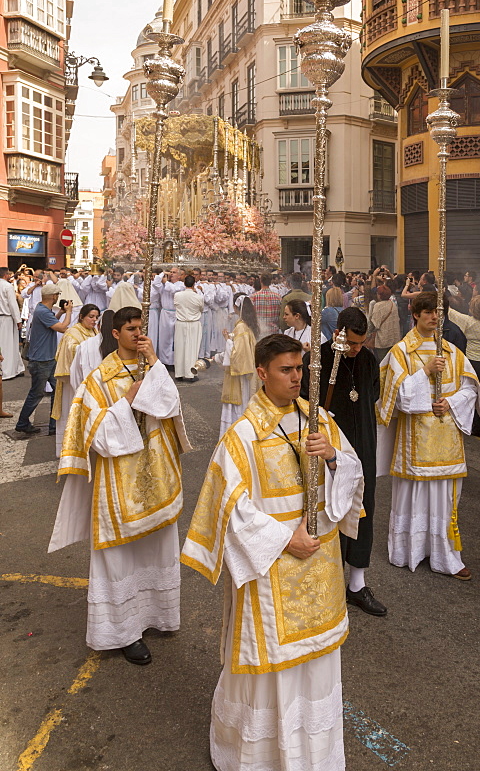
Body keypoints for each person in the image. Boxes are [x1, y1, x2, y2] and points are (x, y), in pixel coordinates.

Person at [180, 333, 364, 771]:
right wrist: (286, 539)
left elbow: (354, 475)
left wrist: (334, 456)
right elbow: (228, 509)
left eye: (300, 368)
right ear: (262, 373)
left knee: (316, 664)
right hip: (272, 570)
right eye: (286, 369)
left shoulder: (317, 420)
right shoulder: (242, 436)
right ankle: (264, 759)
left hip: (319, 566)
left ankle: (315, 758)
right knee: (274, 670)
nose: (297, 377)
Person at [49, 307, 191, 664]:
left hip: (156, 478)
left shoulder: (152, 368)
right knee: (120, 560)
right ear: (114, 333)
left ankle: (159, 615)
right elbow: (94, 434)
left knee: (157, 548)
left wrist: (155, 363)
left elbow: (171, 407)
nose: (138, 334)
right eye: (131, 329)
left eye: (142, 328)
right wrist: (128, 401)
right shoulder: (99, 379)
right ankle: (124, 633)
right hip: (118, 486)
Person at [377, 291, 480, 579]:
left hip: (447, 441)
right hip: (415, 443)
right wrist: (424, 371)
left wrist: (450, 402)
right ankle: (408, 551)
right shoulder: (401, 352)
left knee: (445, 502)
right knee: (416, 498)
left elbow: (471, 387)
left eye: (439, 312)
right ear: (415, 314)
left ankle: (446, 556)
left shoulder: (450, 351)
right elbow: (397, 398)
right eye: (429, 312)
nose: (435, 317)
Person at [302, 306, 386, 616]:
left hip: (362, 444)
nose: (355, 349)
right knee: (328, 511)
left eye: (361, 342)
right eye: (350, 343)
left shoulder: (367, 359)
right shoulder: (319, 360)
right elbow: (305, 402)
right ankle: (326, 580)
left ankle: (357, 585)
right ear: (337, 333)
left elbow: (372, 394)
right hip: (329, 446)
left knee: (362, 509)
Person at [14, 281, 72, 437]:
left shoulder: (41, 309)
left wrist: (60, 312)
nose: (58, 297)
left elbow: (53, 321)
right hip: (42, 360)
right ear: (53, 296)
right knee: (37, 393)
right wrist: (69, 312)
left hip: (47, 358)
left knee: (56, 390)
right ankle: (23, 423)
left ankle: (53, 425)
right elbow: (62, 327)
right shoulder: (43, 312)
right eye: (57, 295)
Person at [52, 303, 100, 456]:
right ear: (81, 317)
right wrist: (87, 348)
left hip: (88, 378)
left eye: (96, 317)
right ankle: (68, 449)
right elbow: (69, 351)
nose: (94, 320)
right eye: (91, 317)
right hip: (72, 381)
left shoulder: (94, 331)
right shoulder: (72, 333)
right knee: (71, 410)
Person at [447, 294, 480, 438]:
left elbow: (450, 312)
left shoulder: (467, 321)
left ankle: (476, 426)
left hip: (472, 362)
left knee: (472, 394)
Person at [216, 295, 260, 434]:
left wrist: (227, 340)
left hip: (239, 375)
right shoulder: (247, 324)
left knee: (237, 407)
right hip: (247, 371)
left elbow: (237, 354)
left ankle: (236, 435)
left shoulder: (241, 327)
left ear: (236, 308)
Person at [70, 309, 117, 389]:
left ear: (98, 326)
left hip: (91, 393)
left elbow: (75, 376)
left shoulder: (85, 346)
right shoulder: (126, 345)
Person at [173, 274, 204, 382]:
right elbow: (201, 308)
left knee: (180, 348)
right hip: (193, 323)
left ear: (184, 283)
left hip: (181, 323)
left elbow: (176, 306)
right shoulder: (198, 297)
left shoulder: (177, 295)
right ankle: (190, 374)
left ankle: (179, 373)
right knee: (192, 349)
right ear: (194, 284)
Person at [156, 268, 185, 367]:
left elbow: (173, 290)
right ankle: (164, 361)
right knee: (164, 338)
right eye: (170, 272)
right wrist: (162, 274)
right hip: (165, 313)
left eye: (174, 273)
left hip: (176, 313)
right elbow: (156, 283)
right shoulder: (164, 284)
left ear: (179, 276)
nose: (171, 274)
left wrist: (165, 282)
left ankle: (174, 361)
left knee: (174, 339)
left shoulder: (181, 285)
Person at [368, 283, 402, 363]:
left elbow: (374, 323)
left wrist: (368, 333)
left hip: (382, 340)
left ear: (379, 295)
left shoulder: (378, 306)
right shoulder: (392, 304)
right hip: (394, 338)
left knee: (382, 362)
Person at [0, 266, 24, 380]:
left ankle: (18, 367)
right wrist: (18, 320)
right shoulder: (7, 286)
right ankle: (6, 372)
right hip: (6, 318)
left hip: (5, 317)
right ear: (5, 275)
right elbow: (12, 304)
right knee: (8, 345)